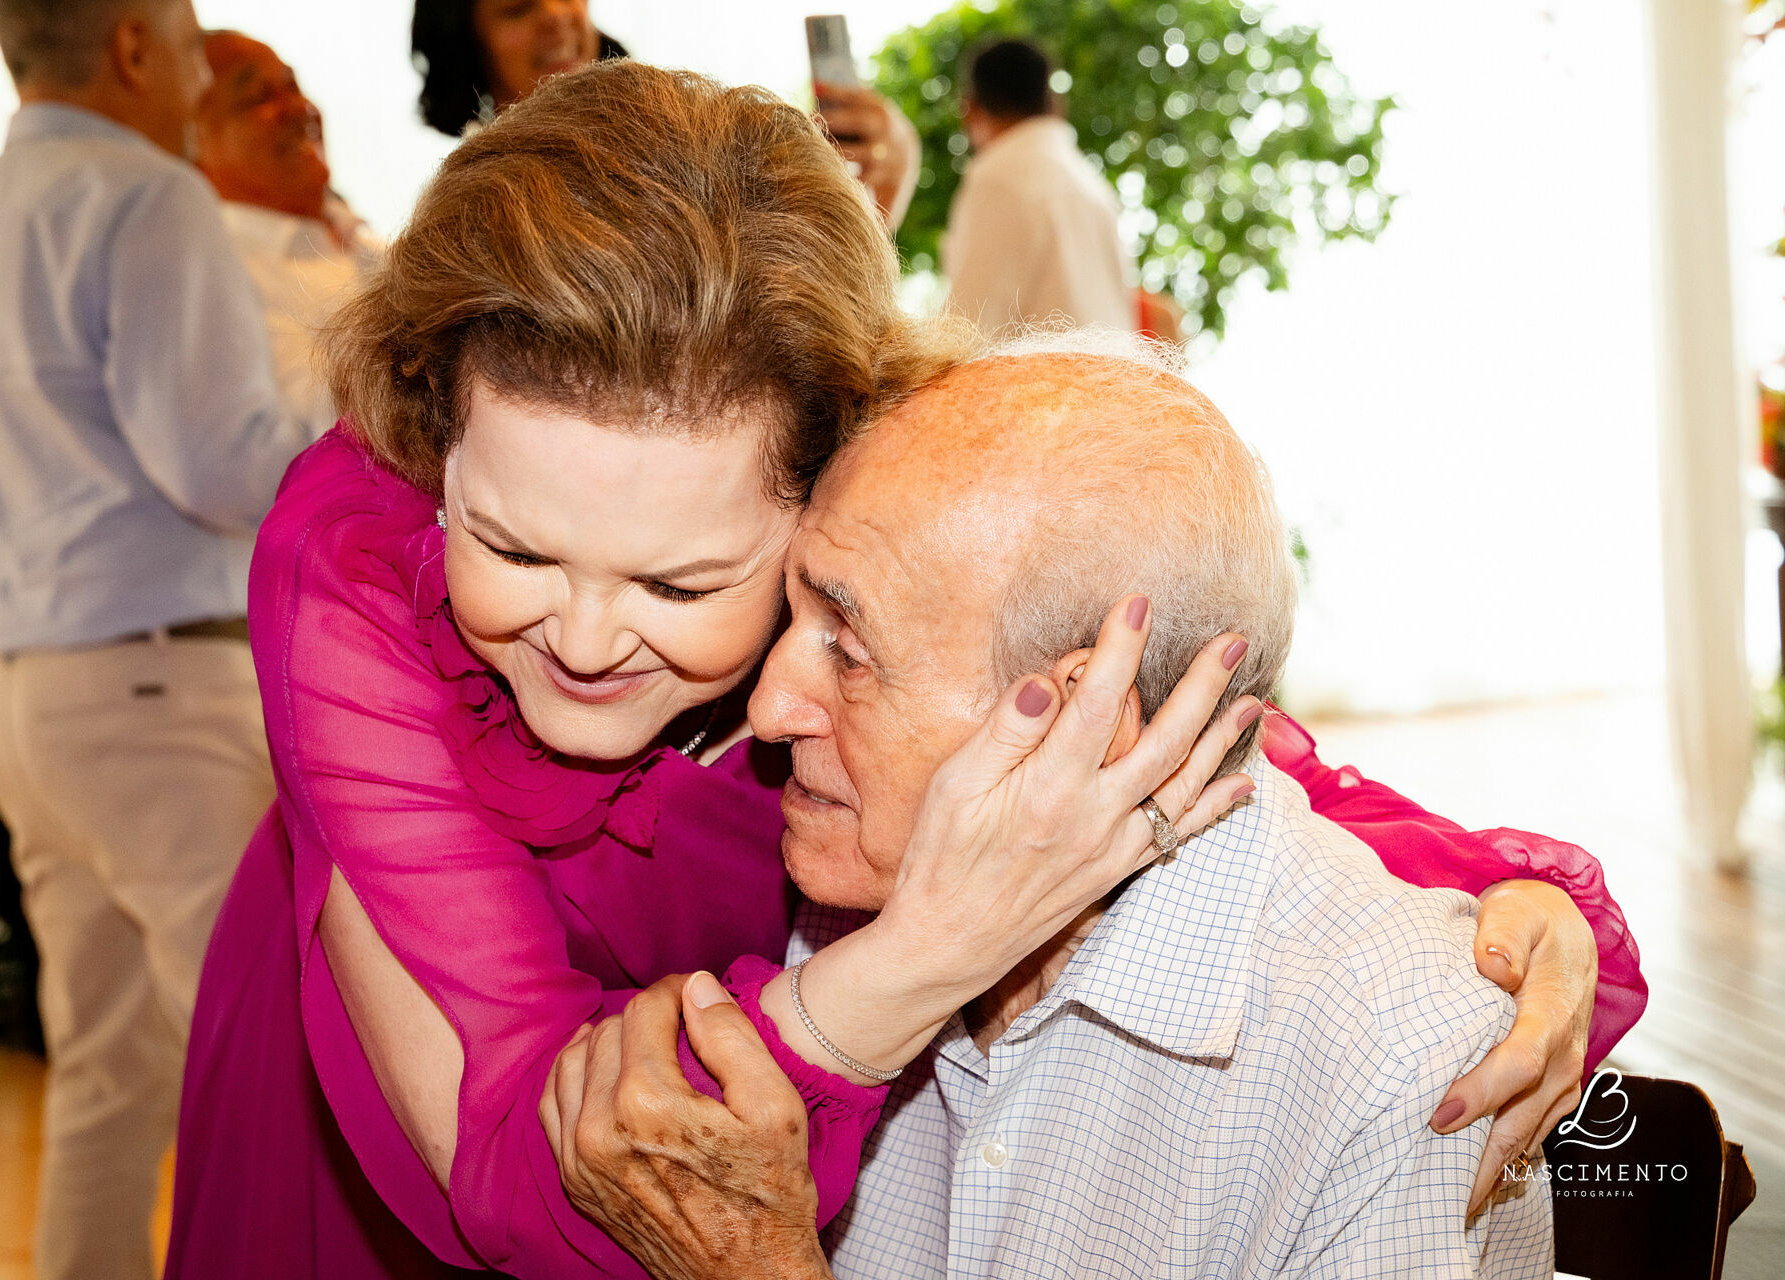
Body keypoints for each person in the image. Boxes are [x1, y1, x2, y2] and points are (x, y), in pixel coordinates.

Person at [166, 61, 1641, 1280]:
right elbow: (505, 1167)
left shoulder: (872, 513)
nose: (591, 635)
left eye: (686, 583)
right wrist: (914, 959)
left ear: (824, 485)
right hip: (397, 1124)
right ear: (436, 436)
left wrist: (1480, 890)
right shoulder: (351, 557)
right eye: (513, 549)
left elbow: (1121, 685)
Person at [544, 336, 1562, 1277]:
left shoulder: (1399, 1069)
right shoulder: (844, 882)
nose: (765, 708)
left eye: (848, 651)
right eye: (791, 610)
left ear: (1079, 726)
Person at [0, 1, 310, 1277]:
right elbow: (218, 460)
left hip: (18, 703)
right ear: (133, 46)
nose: (197, 69)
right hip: (156, 693)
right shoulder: (149, 196)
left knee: (107, 1065)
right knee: (270, 1068)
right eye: (189, 40)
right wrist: (367, 422)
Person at [409, 0, 921, 229]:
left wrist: (879, 192)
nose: (556, 15)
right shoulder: (467, 212)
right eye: (518, 8)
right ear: (467, 45)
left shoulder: (684, 142)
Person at [195, 29, 378, 437]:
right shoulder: (216, 275)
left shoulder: (372, 247)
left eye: (293, 86)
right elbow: (310, 426)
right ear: (193, 145)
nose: (297, 109)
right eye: (261, 98)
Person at [943, 37, 1136, 334]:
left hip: (1045, 379)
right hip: (1114, 378)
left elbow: (967, 330)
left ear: (969, 109)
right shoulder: (1094, 188)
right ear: (1054, 104)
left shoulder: (999, 178)